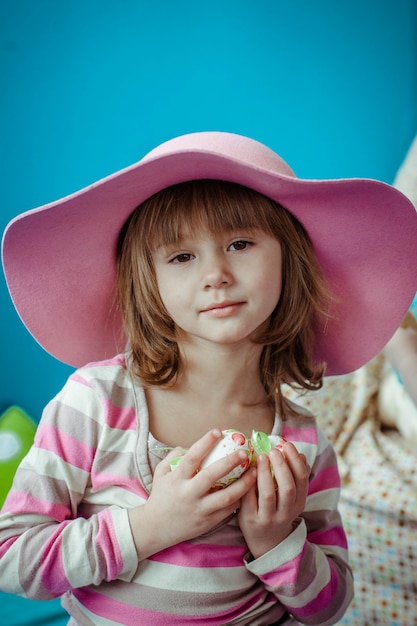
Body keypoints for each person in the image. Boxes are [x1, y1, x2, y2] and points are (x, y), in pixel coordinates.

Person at [0, 131, 416, 626]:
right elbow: (14, 559)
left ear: (290, 259)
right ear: (148, 279)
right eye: (181, 256)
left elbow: (329, 607)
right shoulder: (96, 402)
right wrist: (151, 525)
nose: (216, 273)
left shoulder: (304, 443)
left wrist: (276, 541)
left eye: (240, 243)